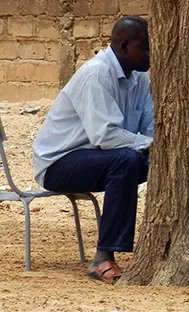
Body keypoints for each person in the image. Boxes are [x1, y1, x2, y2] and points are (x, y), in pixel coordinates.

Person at [32, 16, 152, 284]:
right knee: (127, 161)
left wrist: (156, 150)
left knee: (146, 161)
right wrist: (149, 146)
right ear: (124, 46)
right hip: (59, 163)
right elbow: (105, 135)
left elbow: (149, 128)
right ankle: (102, 257)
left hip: (101, 158)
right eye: (145, 48)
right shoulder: (96, 73)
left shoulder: (140, 78)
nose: (151, 54)